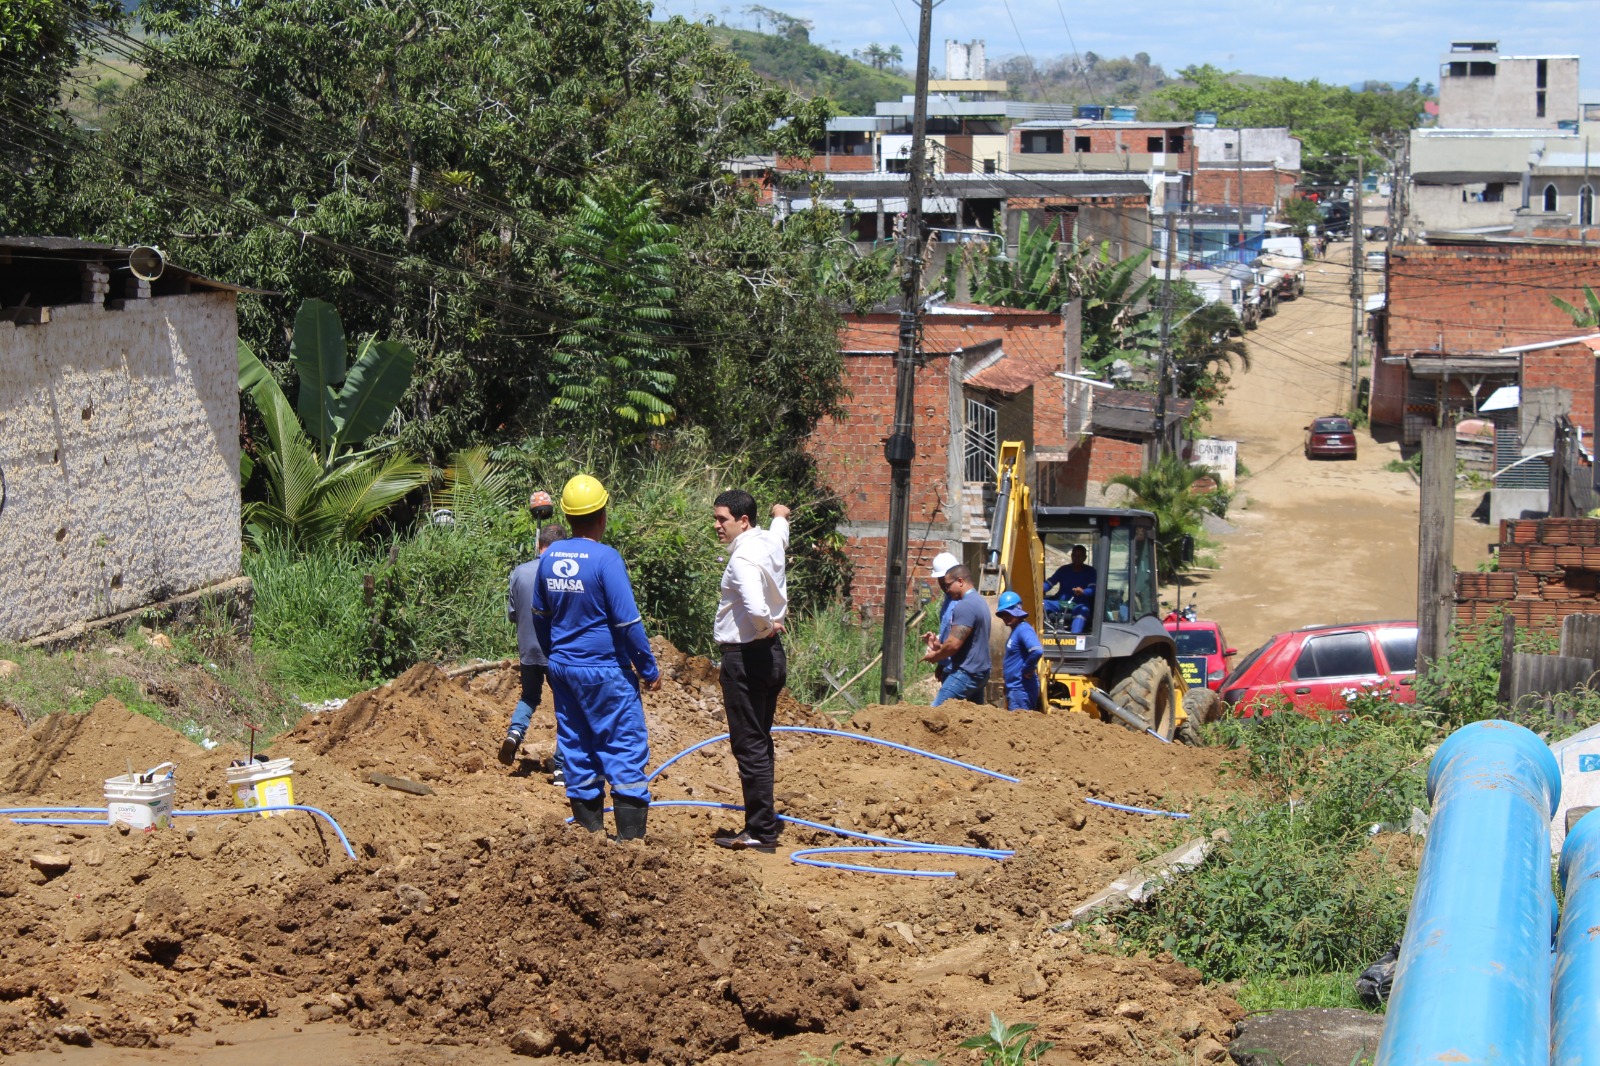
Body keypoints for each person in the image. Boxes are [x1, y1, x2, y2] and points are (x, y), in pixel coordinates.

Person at [531, 474, 662, 841]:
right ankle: (630, 846)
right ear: (602, 514)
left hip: (564, 668)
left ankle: (589, 841)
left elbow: (539, 617)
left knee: (576, 744)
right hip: (605, 671)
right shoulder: (607, 559)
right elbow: (628, 623)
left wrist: (554, 655)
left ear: (569, 517)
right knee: (623, 745)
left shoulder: (550, 556)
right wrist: (648, 667)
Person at [710, 490, 790, 852]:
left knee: (749, 744)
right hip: (771, 657)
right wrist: (780, 513)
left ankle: (760, 831)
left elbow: (757, 608)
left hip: (746, 656)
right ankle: (762, 822)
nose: (717, 526)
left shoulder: (742, 557)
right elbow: (780, 532)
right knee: (761, 739)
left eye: (722, 519)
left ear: (743, 521)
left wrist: (765, 627)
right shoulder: (769, 542)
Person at [500, 519, 567, 781]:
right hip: (558, 653)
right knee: (566, 707)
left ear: (539, 545)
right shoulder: (565, 572)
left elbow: (513, 615)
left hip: (528, 649)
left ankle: (514, 733)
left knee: (529, 696)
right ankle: (561, 766)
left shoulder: (519, 571)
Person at [920, 556, 991, 706]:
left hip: (965, 672)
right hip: (979, 671)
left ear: (960, 581)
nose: (946, 590)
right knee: (972, 718)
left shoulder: (965, 606)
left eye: (948, 585)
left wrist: (936, 656)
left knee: (934, 714)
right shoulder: (980, 602)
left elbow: (953, 644)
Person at [995, 591, 1043, 712]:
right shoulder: (1016, 631)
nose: (1005, 617)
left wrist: (1028, 668)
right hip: (1015, 688)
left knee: (1020, 726)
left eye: (1008, 614)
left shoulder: (1023, 629)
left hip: (1021, 689)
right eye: (1003, 614)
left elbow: (1037, 650)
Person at [1044, 544, 1096, 634]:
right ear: (1071, 556)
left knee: (1083, 610)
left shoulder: (1090, 571)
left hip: (1078, 604)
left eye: (1080, 556)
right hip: (1060, 603)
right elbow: (1050, 583)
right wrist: (1039, 589)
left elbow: (1092, 589)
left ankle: (1074, 637)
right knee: (1041, 604)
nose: (1077, 558)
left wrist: (1083, 592)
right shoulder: (1063, 569)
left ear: (1085, 558)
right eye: (1075, 556)